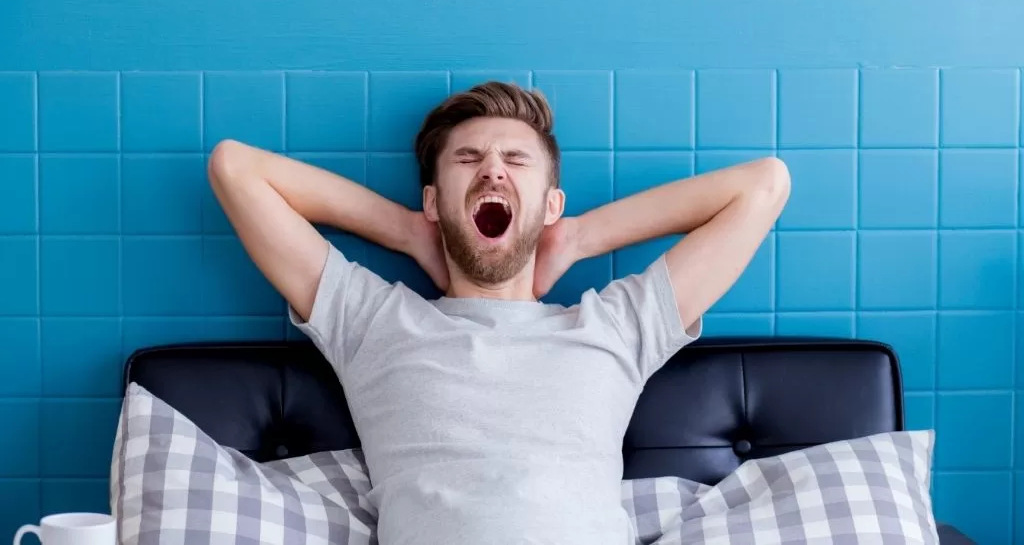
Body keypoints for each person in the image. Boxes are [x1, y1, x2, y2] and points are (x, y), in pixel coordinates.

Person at [207, 81, 790, 545]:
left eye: (516, 159)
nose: (492, 170)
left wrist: (577, 237)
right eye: (468, 159)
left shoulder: (615, 326)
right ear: (433, 200)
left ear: (550, 202)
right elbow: (236, 168)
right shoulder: (375, 323)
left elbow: (764, 185)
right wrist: (410, 233)